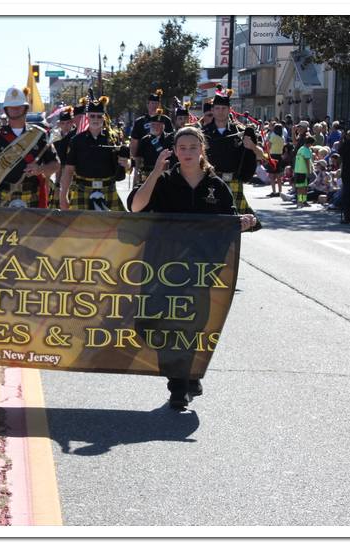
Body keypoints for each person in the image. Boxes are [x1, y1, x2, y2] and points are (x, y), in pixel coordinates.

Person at [127, 126, 256, 410]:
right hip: (163, 265)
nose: (187, 153)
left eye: (192, 147)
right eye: (181, 148)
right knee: (151, 324)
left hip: (200, 268)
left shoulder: (216, 186)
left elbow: (229, 222)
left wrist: (244, 223)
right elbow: (136, 208)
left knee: (188, 325)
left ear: (202, 150)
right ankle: (187, 375)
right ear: (174, 151)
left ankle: (179, 386)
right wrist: (155, 172)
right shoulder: (163, 181)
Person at [0, 86, 59, 207]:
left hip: (31, 194)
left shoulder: (40, 135)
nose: (15, 110)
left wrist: (40, 169)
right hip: (1, 194)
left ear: (26, 108)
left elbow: (56, 165)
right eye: (11, 107)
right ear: (6, 110)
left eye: (18, 106)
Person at [202, 85, 264, 228]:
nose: (220, 111)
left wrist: (252, 147)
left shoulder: (242, 132)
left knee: (237, 223)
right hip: (209, 180)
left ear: (229, 110)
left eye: (224, 108)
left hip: (234, 181)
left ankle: (232, 247)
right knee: (211, 219)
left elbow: (262, 155)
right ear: (212, 110)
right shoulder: (203, 133)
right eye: (217, 108)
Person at [59, 92, 129, 211]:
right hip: (82, 190)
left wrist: (126, 164)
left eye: (99, 116)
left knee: (114, 229)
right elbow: (69, 170)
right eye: (92, 116)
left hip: (109, 190)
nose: (95, 119)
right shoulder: (76, 140)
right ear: (87, 117)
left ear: (104, 117)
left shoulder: (113, 138)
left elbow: (127, 166)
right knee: (79, 229)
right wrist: (63, 195)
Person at [134, 107, 175, 184]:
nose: (156, 127)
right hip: (148, 174)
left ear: (163, 126)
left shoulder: (169, 139)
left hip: (164, 174)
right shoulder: (145, 140)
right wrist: (136, 175)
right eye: (154, 124)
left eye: (159, 125)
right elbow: (138, 158)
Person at [293, 136, 315, 208]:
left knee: (305, 187)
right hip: (302, 171)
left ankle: (304, 201)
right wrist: (309, 171)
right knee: (301, 187)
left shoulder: (301, 148)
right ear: (309, 143)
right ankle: (299, 201)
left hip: (298, 170)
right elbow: (307, 161)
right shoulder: (306, 150)